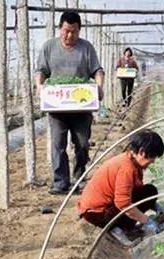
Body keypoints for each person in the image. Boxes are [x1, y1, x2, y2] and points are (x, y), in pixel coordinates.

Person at [35, 11, 105, 195]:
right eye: (66, 31)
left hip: (81, 107)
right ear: (60, 28)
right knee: (58, 145)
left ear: (79, 30)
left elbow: (97, 70)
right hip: (57, 106)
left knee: (82, 144)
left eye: (74, 32)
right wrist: (39, 86)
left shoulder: (86, 48)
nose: (69, 35)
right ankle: (60, 182)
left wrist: (99, 86)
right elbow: (41, 70)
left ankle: (79, 179)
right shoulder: (49, 47)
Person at [77, 130, 164, 246]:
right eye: (153, 157)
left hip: (104, 208)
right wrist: (147, 220)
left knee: (150, 192)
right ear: (141, 152)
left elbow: (135, 190)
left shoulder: (130, 160)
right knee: (134, 203)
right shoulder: (126, 168)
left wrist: (154, 205)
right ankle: (117, 228)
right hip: (97, 214)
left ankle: (123, 226)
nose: (153, 161)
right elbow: (123, 204)